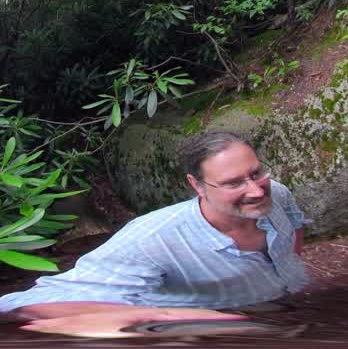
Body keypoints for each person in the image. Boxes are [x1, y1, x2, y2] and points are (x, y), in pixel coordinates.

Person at [0, 131, 308, 338]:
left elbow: (294, 226)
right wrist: (169, 316)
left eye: (256, 173)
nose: (256, 190)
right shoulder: (154, 238)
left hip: (277, 312)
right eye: (234, 183)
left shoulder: (276, 193)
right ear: (197, 185)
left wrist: (289, 281)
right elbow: (32, 303)